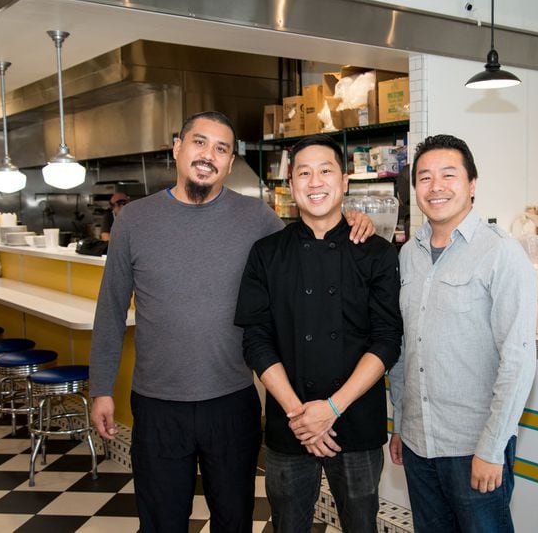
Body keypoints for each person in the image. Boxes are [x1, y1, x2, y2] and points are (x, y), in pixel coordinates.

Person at [88, 111, 375, 533]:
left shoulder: (256, 217)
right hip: (157, 403)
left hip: (233, 400)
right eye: (200, 143)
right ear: (177, 148)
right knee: (161, 523)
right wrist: (101, 389)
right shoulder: (134, 219)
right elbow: (110, 309)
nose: (209, 155)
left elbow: (308, 242)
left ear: (229, 160)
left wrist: (351, 217)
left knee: (235, 520)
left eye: (221, 148)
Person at [234, 134, 403, 533]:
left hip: (356, 422)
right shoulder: (266, 253)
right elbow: (255, 340)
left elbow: (386, 339)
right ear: (291, 186)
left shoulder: (377, 253)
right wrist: (300, 414)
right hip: (289, 423)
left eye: (325, 171)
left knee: (361, 523)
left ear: (344, 181)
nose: (315, 182)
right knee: (288, 524)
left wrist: (331, 409)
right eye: (304, 174)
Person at [388, 134, 537, 533]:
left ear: (472, 185)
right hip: (419, 443)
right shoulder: (408, 253)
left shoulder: (501, 254)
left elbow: (519, 360)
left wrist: (492, 449)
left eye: (448, 175)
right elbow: (405, 349)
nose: (436, 186)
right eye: (424, 177)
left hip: (474, 445)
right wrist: (401, 424)